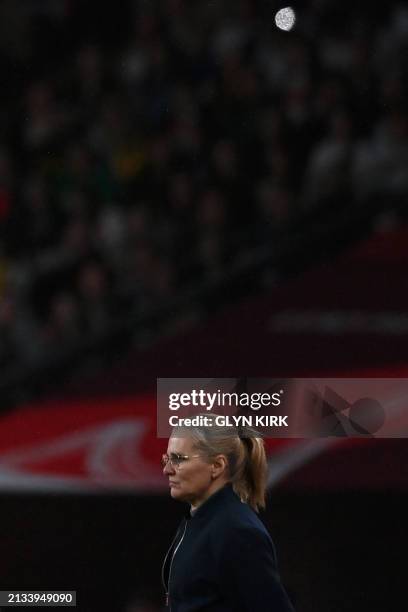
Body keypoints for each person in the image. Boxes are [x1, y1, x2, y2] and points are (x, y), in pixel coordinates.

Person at [161, 421, 296, 611]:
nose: (167, 470)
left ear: (217, 465)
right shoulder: (197, 520)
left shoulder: (237, 531)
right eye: (166, 459)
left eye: (179, 459)